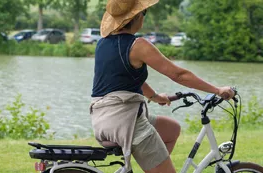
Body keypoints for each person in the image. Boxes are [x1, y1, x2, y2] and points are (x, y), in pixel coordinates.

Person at [89, 0, 235, 173]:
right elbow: (178, 74)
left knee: (172, 129)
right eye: (144, 13)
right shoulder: (138, 45)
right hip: (127, 123)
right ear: (136, 17)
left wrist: (156, 97)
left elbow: (131, 79)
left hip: (103, 121)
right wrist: (218, 90)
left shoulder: (102, 43)